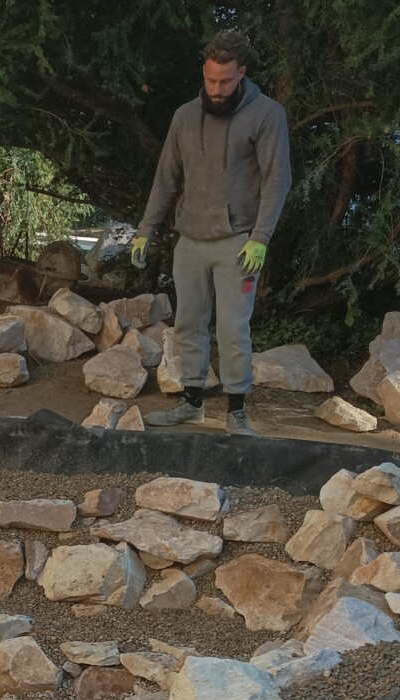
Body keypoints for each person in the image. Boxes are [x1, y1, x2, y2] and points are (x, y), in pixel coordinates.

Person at [131, 31, 291, 436]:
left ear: (243, 72)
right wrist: (146, 230)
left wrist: (260, 238)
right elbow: (166, 178)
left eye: (225, 81)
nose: (216, 90)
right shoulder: (185, 116)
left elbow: (276, 181)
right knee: (188, 324)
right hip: (190, 239)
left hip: (239, 242)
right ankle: (191, 402)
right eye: (210, 80)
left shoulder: (266, 115)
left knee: (233, 329)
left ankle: (236, 410)